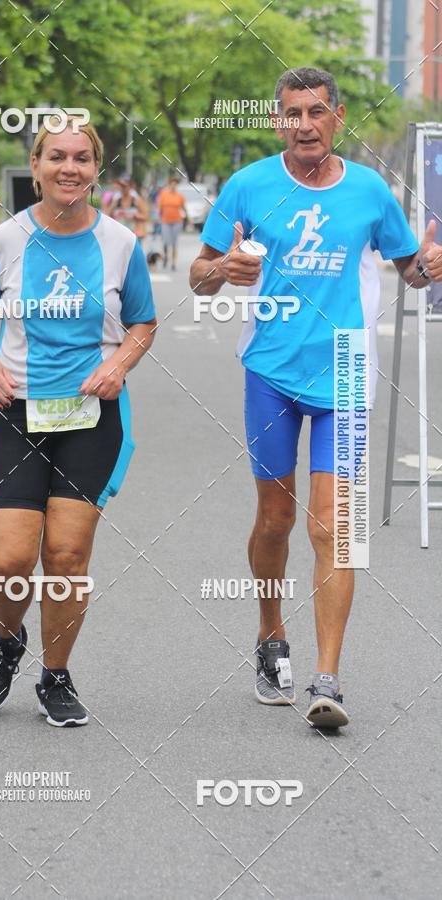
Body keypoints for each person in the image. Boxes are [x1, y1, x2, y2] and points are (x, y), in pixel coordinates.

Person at [189, 66, 442, 728]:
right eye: (292, 112)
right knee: (275, 519)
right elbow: (199, 277)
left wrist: (428, 268)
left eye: (316, 112)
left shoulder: (369, 192)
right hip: (270, 372)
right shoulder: (247, 186)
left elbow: (409, 272)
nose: (304, 124)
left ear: (338, 116)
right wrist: (222, 268)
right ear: (278, 119)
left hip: (347, 374)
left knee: (332, 525)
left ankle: (327, 680)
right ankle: (272, 633)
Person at [0, 117, 157, 726]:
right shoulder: (6, 240)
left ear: (97, 168)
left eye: (82, 158)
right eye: (57, 157)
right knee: (11, 559)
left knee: (68, 555)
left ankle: (56, 676)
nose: (69, 168)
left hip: (92, 418)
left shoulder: (121, 244)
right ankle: (5, 642)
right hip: (17, 414)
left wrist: (119, 363)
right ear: (36, 165)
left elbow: (143, 323)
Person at [158, 176, 188, 271]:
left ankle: (173, 263)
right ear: (169, 184)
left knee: (175, 243)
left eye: (175, 184)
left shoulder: (180, 196)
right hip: (165, 221)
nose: (173, 186)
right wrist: (158, 219)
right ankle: (166, 255)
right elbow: (159, 208)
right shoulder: (163, 195)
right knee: (166, 241)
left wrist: (189, 218)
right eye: (172, 184)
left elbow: (184, 208)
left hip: (177, 221)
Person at [107, 176, 148, 243]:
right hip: (120, 235)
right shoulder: (116, 201)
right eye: (121, 186)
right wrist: (112, 208)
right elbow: (108, 217)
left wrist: (135, 216)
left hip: (134, 235)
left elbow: (145, 216)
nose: (123, 188)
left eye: (125, 186)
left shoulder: (136, 200)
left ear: (130, 187)